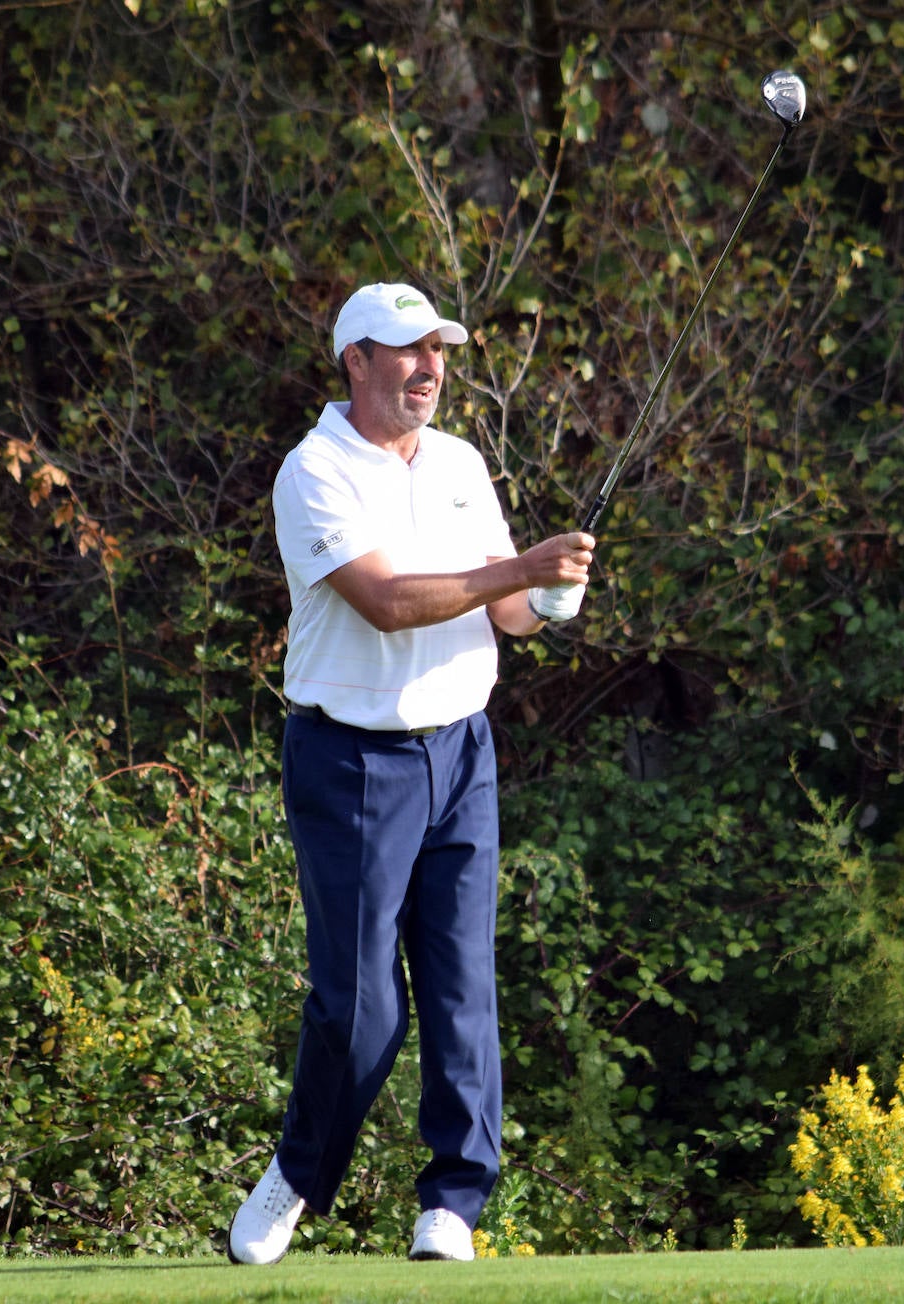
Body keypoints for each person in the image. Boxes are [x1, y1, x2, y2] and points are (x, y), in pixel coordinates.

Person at [227, 282, 593, 1265]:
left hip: (461, 749)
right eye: (407, 351)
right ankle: (298, 1174)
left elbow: (505, 613)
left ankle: (452, 1203)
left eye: (438, 350)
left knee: (463, 985)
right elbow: (388, 601)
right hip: (351, 759)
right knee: (362, 1008)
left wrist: (551, 594)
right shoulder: (314, 471)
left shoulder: (463, 462)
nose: (430, 368)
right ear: (356, 360)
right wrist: (519, 572)